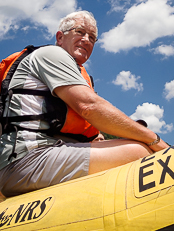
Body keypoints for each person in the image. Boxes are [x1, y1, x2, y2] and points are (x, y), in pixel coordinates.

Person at [0, 11, 169, 197]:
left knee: (127, 144)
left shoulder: (73, 73)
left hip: (48, 152)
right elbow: (89, 107)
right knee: (139, 152)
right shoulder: (52, 54)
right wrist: (157, 141)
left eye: (92, 38)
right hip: (26, 159)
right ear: (60, 37)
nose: (87, 40)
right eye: (80, 32)